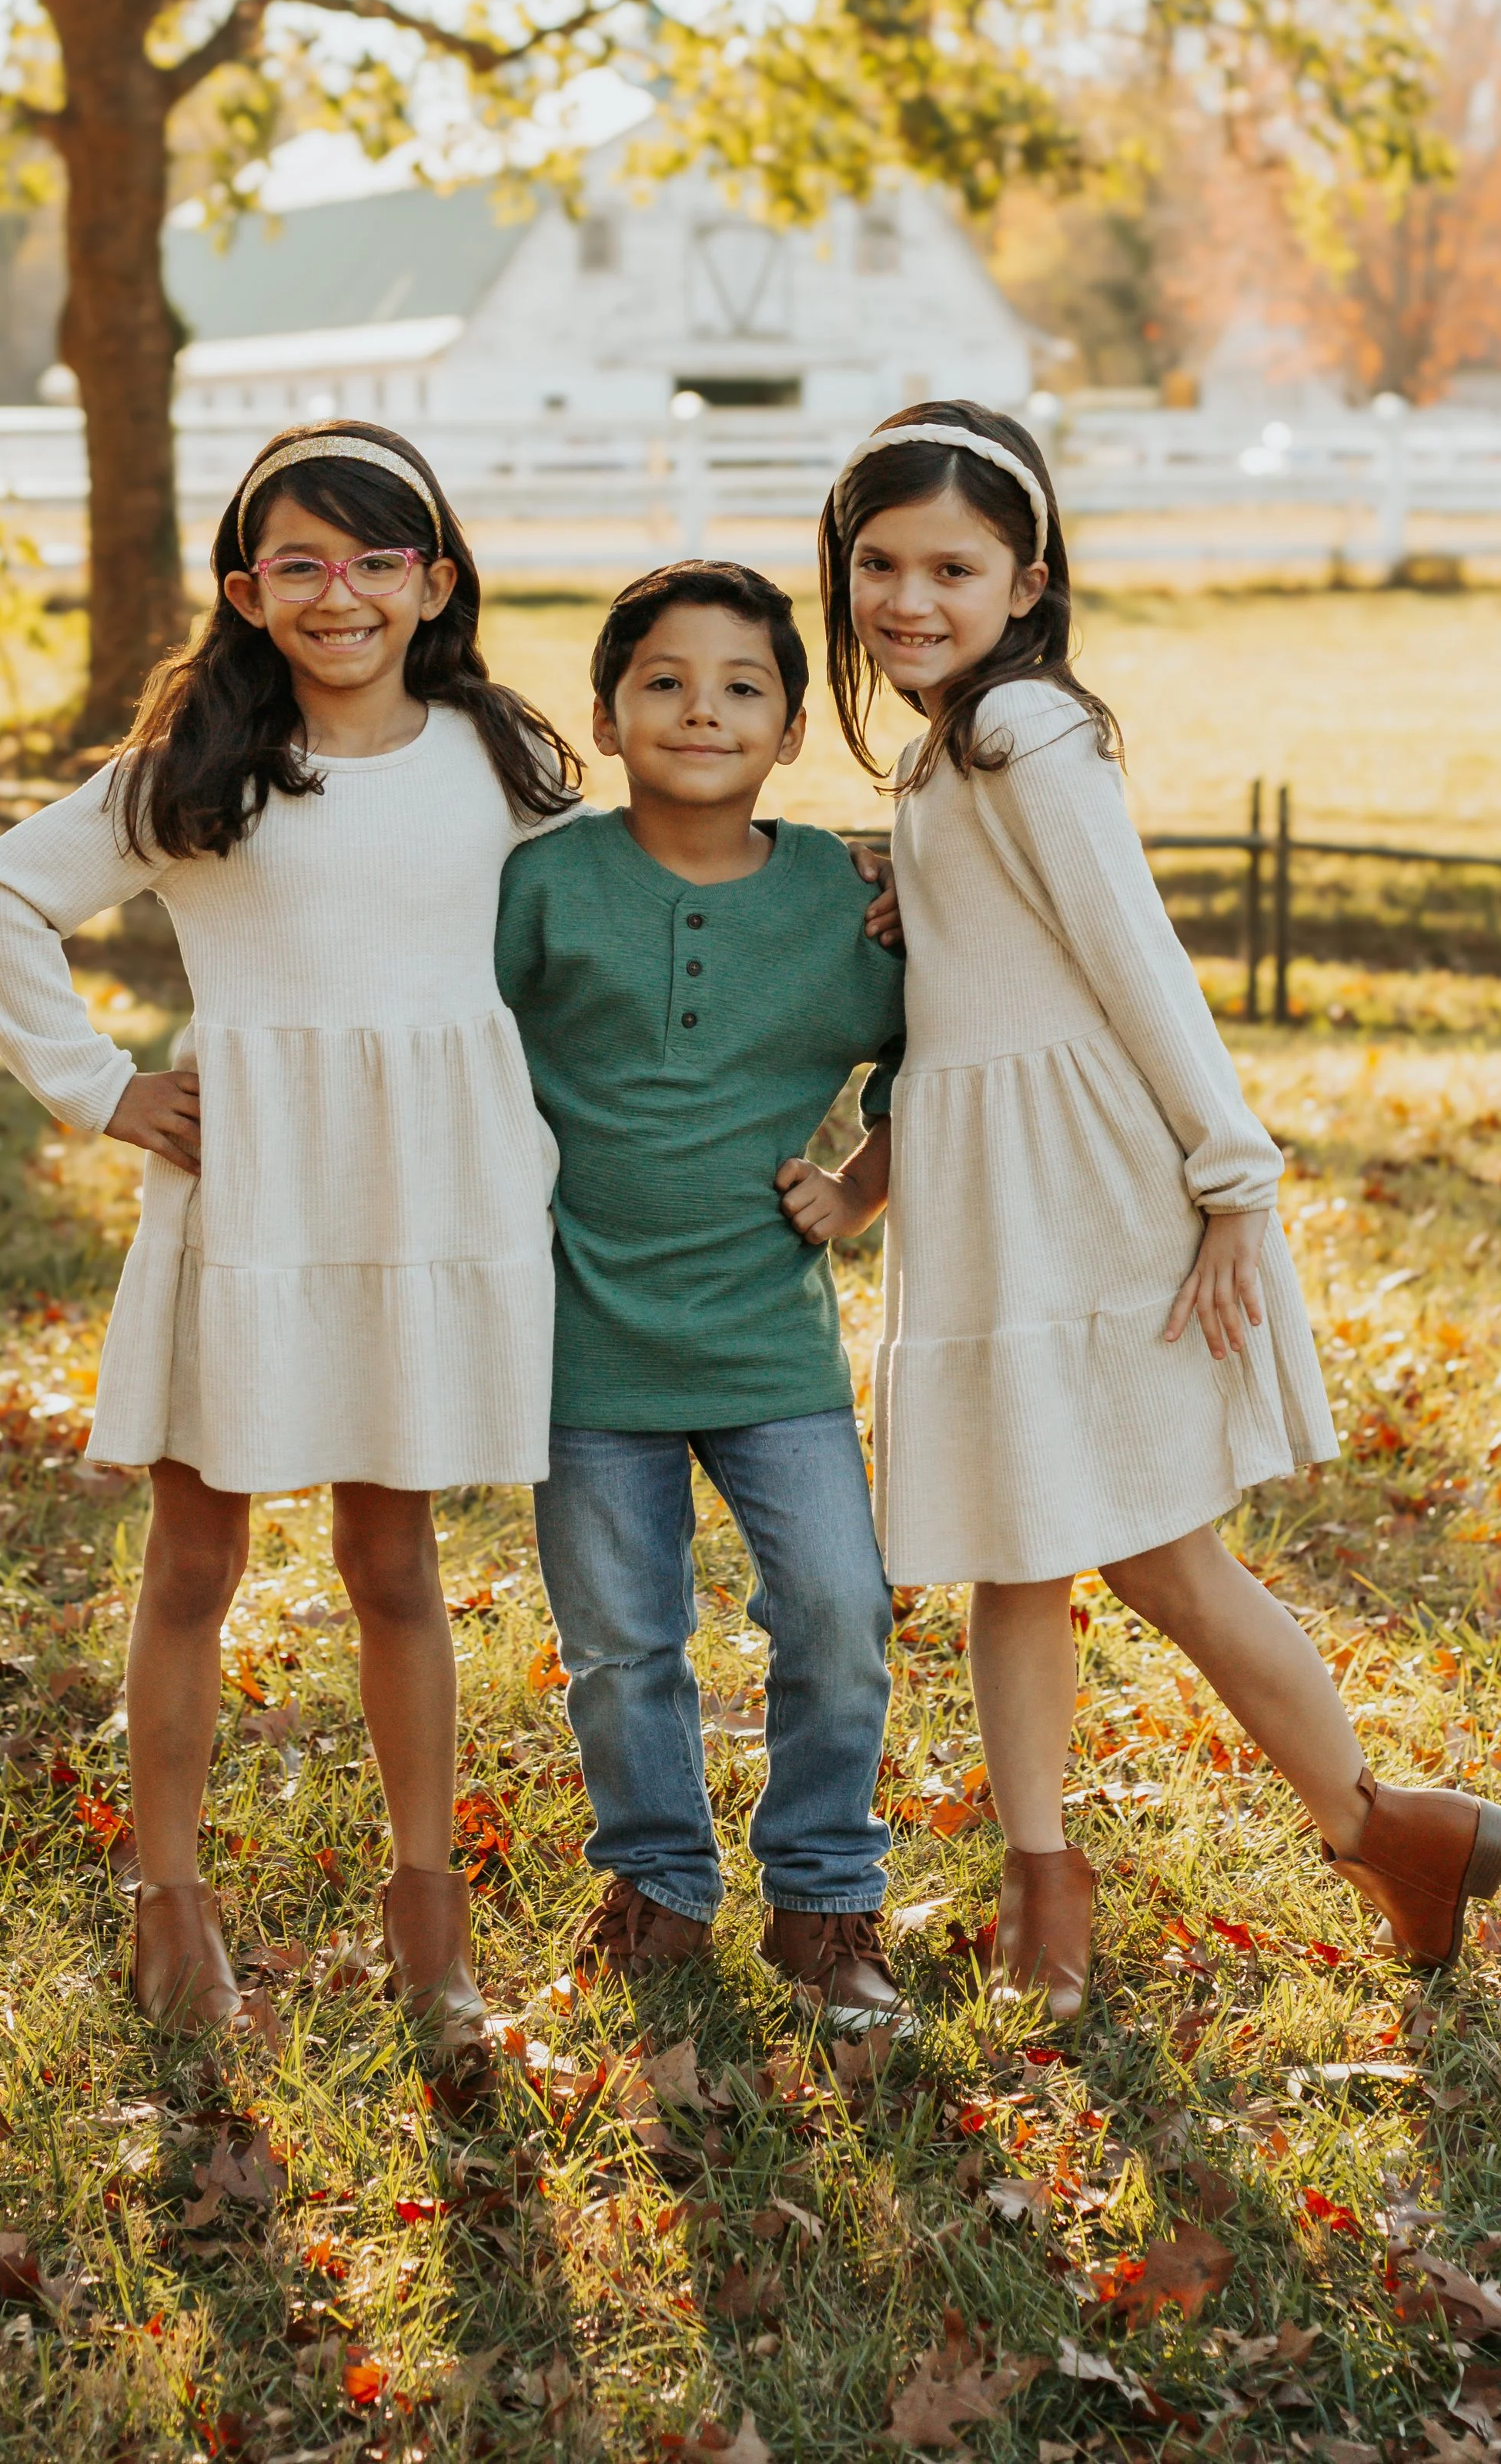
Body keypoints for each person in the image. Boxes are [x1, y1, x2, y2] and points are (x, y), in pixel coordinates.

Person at [814, 399, 1501, 2015]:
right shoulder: (938, 755)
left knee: (1153, 1555)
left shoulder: (1022, 734)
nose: (908, 599)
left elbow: (1139, 967)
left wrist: (1228, 1180)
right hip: (987, 1190)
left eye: (950, 567)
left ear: (1026, 579)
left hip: (1084, 1182)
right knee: (1024, 1554)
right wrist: (875, 1168)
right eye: (877, 565)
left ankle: (1369, 1827)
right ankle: (1058, 1892)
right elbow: (958, 1008)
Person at [0, 422, 580, 2055]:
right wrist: (98, 1087)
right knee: (195, 1563)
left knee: (393, 1562)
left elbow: (608, 917)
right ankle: (171, 1910)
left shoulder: (496, 758)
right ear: (244, 591)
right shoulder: (199, 773)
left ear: (435, 581)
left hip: (420, 1207)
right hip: (250, 1206)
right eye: (297, 563)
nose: (340, 593)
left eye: (378, 560)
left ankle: (428, 1931)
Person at [495, 562, 911, 2027]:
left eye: (743, 686)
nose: (701, 709)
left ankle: (824, 1898)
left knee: (839, 1610)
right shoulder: (543, 885)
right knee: (622, 1642)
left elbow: (948, 1054)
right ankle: (661, 1885)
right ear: (607, 716)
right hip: (580, 1344)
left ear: (792, 728)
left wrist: (856, 1185)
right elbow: (441, 1042)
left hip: (768, 1345)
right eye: (663, 681)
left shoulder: (847, 899)